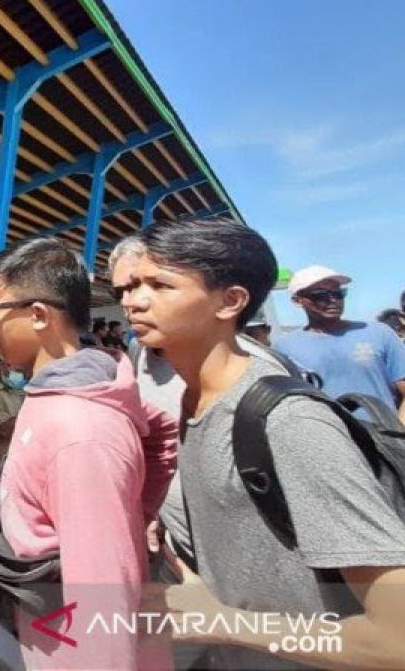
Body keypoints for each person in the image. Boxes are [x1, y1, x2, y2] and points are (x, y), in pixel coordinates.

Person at [124, 218, 405, 670]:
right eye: (132, 285)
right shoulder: (193, 403)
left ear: (230, 301)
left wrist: (226, 623)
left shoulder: (287, 422)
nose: (132, 301)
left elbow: (396, 641)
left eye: (159, 285)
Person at [0, 237, 177, 670]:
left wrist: (132, 517)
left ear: (38, 315)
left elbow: (104, 604)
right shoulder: (70, 384)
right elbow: (162, 430)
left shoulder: (80, 432)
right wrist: (139, 513)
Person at [274, 265, 405, 423]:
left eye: (338, 293)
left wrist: (399, 432)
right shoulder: (284, 348)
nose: (332, 300)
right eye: (320, 295)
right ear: (297, 300)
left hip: (386, 440)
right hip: (328, 442)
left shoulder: (379, 333)